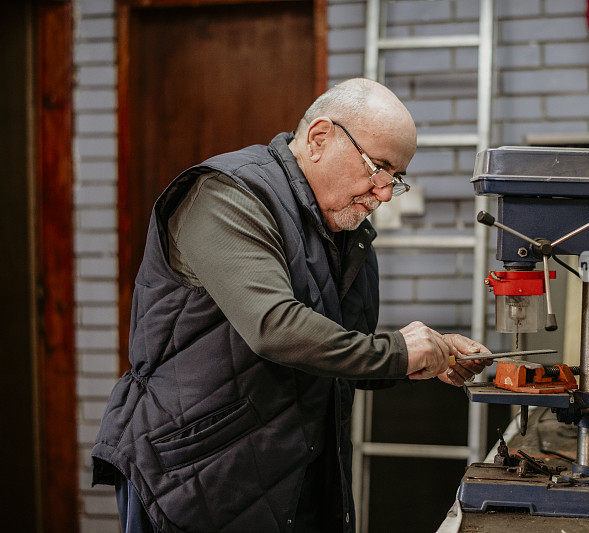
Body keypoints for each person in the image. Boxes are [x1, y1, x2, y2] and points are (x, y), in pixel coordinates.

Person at [91, 78, 490, 533]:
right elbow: (275, 328)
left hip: (292, 474)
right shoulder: (226, 195)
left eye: (394, 179)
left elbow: (336, 350)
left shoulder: (343, 231)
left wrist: (428, 354)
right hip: (195, 477)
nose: (383, 193)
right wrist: (397, 352)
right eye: (377, 167)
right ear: (320, 138)